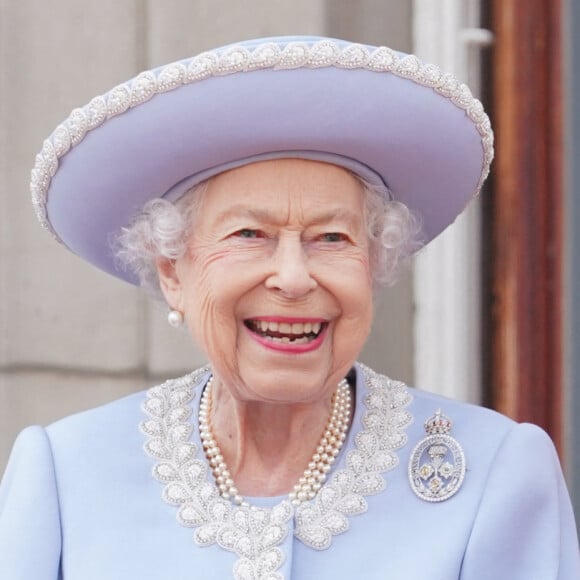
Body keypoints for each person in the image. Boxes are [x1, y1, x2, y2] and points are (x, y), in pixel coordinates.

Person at [0, 35, 578, 579]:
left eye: (332, 239)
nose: (295, 278)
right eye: (250, 234)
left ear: (373, 265)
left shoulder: (494, 474)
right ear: (173, 270)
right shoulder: (66, 473)